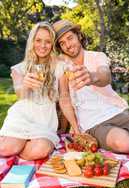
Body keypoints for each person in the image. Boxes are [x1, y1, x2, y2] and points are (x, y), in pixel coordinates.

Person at [0, 22, 79, 160]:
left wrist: (76, 129)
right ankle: (17, 145)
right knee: (5, 149)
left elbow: (65, 100)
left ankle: (20, 148)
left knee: (40, 150)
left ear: (52, 44)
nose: (43, 46)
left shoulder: (59, 67)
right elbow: (20, 95)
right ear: (32, 41)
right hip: (22, 117)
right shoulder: (19, 69)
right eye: (38, 40)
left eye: (47, 41)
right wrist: (25, 85)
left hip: (44, 121)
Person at [53, 19, 129, 153]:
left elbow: (105, 75)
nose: (67, 45)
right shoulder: (62, 66)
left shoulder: (97, 56)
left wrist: (92, 77)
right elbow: (64, 99)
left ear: (78, 35)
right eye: (62, 43)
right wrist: (77, 130)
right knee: (125, 143)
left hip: (117, 112)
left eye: (70, 38)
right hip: (92, 123)